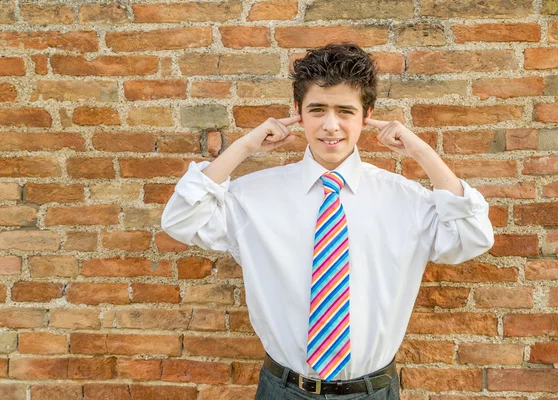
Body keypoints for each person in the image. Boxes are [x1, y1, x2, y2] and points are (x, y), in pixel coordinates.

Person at [161, 43, 494, 400]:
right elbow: (181, 219)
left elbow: (472, 237)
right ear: (298, 113)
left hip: (372, 391)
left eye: (345, 111)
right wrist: (243, 147)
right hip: (284, 389)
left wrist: (421, 152)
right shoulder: (252, 197)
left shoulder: (406, 200)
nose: (330, 126)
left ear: (366, 116)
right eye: (317, 109)